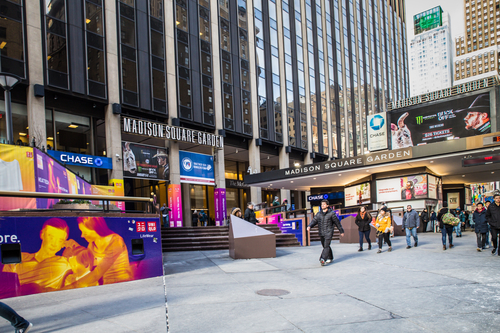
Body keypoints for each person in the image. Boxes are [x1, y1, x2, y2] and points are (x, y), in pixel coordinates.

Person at [3, 218, 72, 294]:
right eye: (51, 237)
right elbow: (5, 288)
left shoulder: (65, 263)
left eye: (60, 240)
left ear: (63, 244)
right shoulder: (18, 257)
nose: (54, 244)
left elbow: (83, 281)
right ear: (42, 235)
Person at [63, 217, 132, 288]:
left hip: (122, 285)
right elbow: (87, 261)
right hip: (106, 286)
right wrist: (73, 248)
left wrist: (69, 287)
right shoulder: (92, 244)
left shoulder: (116, 241)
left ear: (96, 229)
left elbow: (97, 273)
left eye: (85, 233)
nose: (82, 235)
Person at [307, 199, 344, 265]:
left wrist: (341, 231)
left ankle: (323, 259)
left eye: (324, 204)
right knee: (325, 246)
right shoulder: (319, 214)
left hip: (329, 232)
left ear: (327, 205)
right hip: (321, 232)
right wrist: (309, 226)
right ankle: (330, 257)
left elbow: (337, 223)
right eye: (322, 204)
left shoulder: (332, 214)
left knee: (326, 245)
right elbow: (314, 221)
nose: (322, 206)